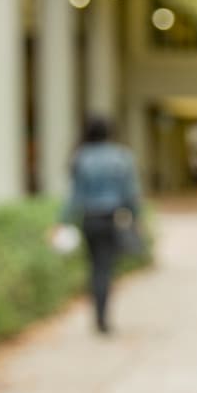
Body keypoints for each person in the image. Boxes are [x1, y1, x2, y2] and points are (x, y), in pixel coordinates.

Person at [61, 114, 141, 335]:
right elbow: (131, 194)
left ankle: (97, 314)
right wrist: (136, 218)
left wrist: (63, 221)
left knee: (94, 267)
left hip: (89, 219)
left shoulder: (80, 157)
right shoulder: (121, 157)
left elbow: (74, 196)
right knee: (106, 268)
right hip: (111, 219)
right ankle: (103, 316)